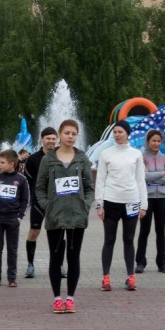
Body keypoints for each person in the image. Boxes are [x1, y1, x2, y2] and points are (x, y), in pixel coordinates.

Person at [35, 119, 95, 313]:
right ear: (60, 134)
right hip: (55, 217)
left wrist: (85, 205)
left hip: (77, 217)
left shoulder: (82, 159)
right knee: (56, 257)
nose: (70, 136)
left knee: (73, 257)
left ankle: (70, 298)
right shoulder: (48, 159)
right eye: (67, 133)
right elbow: (40, 187)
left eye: (74, 133)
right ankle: (56, 298)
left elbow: (89, 188)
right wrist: (48, 206)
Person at [95, 119, 147, 292]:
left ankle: (131, 277)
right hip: (110, 202)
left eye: (120, 132)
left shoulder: (136, 154)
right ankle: (106, 277)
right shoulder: (106, 154)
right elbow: (100, 179)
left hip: (131, 202)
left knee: (129, 240)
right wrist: (99, 204)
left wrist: (143, 205)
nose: (117, 135)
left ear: (127, 134)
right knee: (109, 239)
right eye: (115, 132)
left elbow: (140, 180)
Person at [0, 148, 29, 287]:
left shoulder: (21, 180)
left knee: (12, 249)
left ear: (11, 164)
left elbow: (25, 200)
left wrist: (19, 217)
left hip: (13, 219)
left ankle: (12, 278)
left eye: (2, 162)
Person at [135, 129, 165, 274]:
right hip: (147, 198)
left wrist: (153, 176)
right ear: (148, 141)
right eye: (154, 141)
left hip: (162, 198)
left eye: (158, 141)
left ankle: (162, 262)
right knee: (144, 231)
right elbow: (142, 177)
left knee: (160, 231)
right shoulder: (142, 157)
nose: (156, 143)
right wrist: (160, 174)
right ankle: (140, 261)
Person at [23, 128, 58, 278]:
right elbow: (27, 181)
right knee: (34, 231)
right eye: (47, 138)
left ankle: (59, 264)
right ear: (42, 139)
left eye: (53, 138)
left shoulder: (60, 157)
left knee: (58, 233)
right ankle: (30, 264)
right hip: (38, 201)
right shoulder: (33, 159)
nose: (50, 141)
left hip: (57, 201)